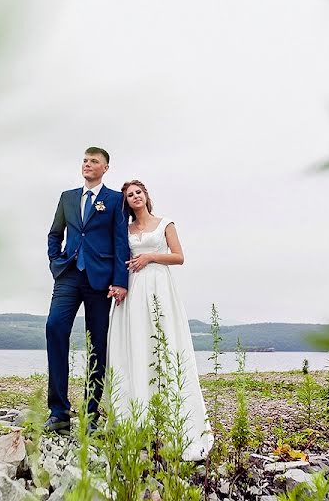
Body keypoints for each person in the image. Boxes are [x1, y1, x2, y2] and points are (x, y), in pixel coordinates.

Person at [107, 179, 213, 461]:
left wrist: (150, 257)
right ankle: (136, 418)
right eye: (129, 195)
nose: (135, 197)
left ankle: (172, 418)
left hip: (159, 286)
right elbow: (119, 258)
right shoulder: (125, 230)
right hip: (134, 288)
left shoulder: (165, 223)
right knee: (136, 344)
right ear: (126, 202)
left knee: (164, 343)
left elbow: (179, 257)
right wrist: (117, 283)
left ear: (146, 195)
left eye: (138, 192)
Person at [45, 147, 130, 434]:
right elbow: (55, 233)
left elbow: (121, 242)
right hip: (68, 275)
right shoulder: (67, 198)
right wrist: (55, 261)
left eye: (94, 161)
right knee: (54, 328)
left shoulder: (115, 200)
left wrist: (120, 281)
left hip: (101, 280)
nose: (87, 165)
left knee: (98, 344)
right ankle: (58, 412)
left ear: (105, 168)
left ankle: (90, 415)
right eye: (84, 160)